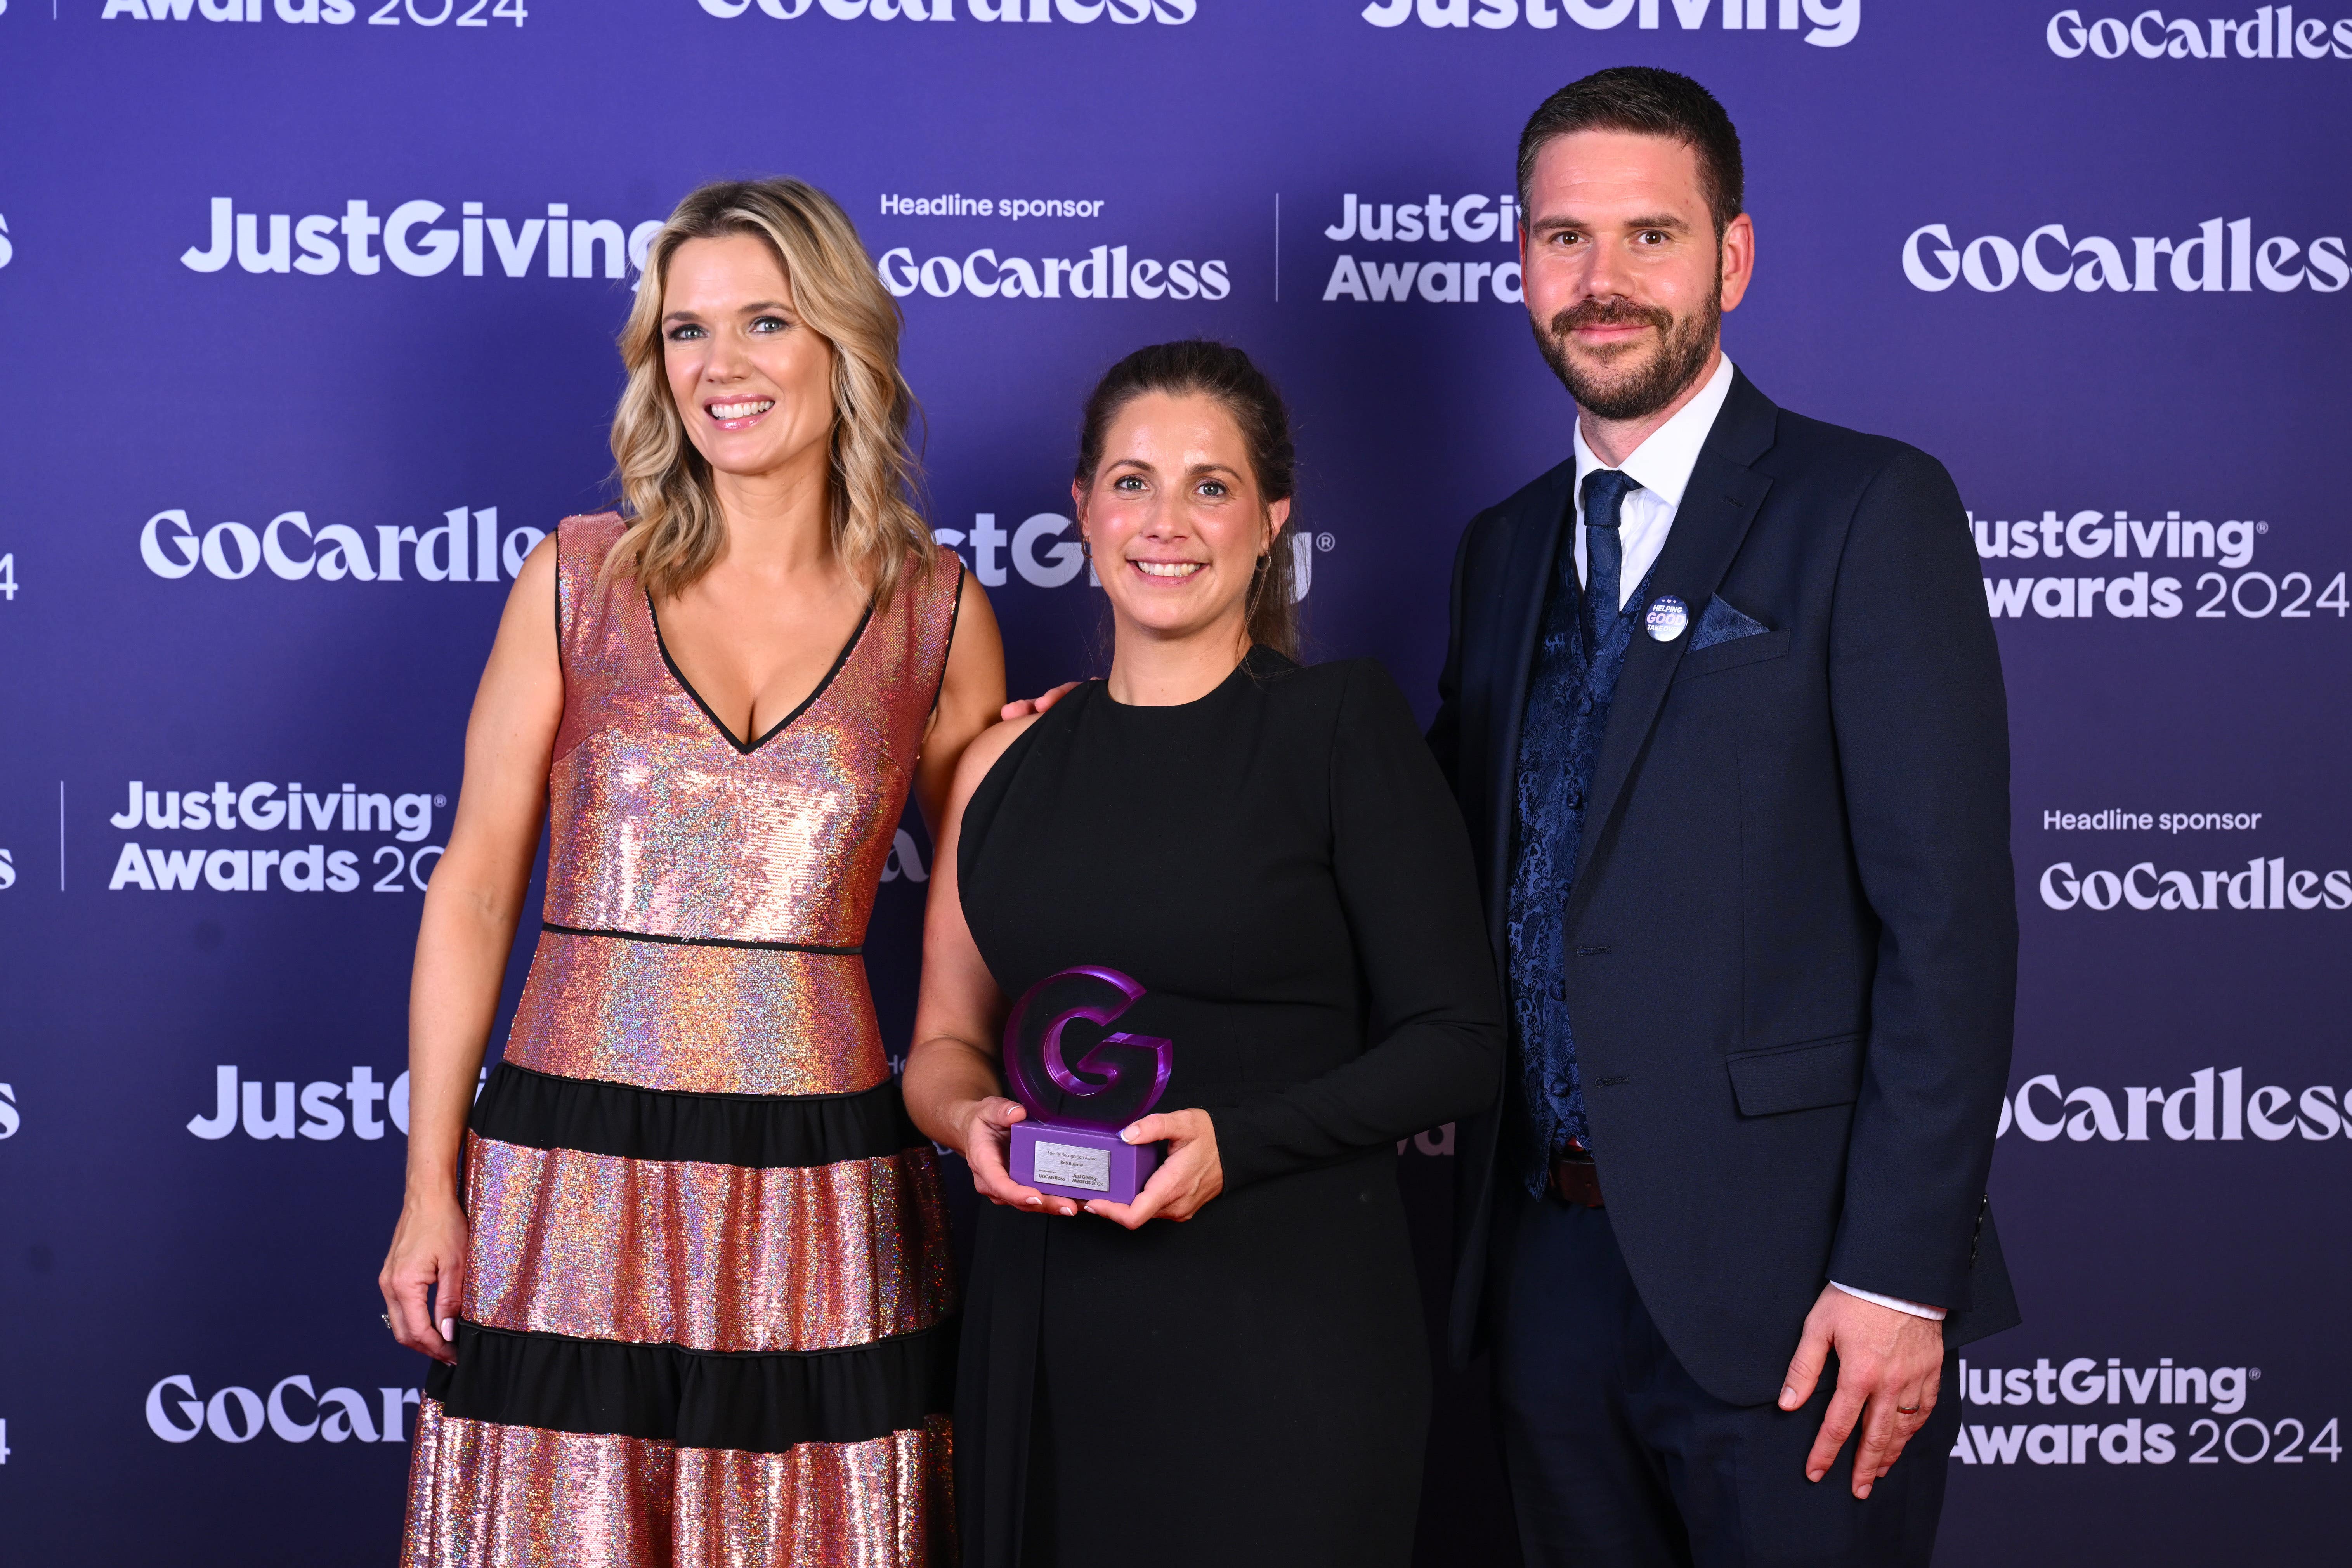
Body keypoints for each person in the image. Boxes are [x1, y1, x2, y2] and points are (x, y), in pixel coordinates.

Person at [1428, 69, 2019, 1566]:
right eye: (1564, 239)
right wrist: (1127, 735)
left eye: (1649, 235)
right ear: (1520, 263)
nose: (1602, 282)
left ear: (1731, 259)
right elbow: (1426, 847)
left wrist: (1898, 1277)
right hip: (1543, 1276)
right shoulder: (1501, 550)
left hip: (1797, 1289)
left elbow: (1945, 929)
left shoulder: (1865, 508)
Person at [377, 177, 1003, 1567]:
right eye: (684, 332)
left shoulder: (939, 612)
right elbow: (477, 887)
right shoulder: (573, 577)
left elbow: (990, 916)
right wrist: (434, 1185)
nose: (720, 367)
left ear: (841, 347)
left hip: (818, 1180)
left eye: (764, 322)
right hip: (567, 1166)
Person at [903, 340, 1504, 1568]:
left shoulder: (1338, 728)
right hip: (1045, 1330)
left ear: (1273, 517)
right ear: (1080, 508)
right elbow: (941, 1047)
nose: (1164, 522)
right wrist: (969, 1121)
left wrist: (1237, 1145)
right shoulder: (1000, 767)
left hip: (1282, 1330)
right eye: (1130, 482)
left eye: (1210, 486)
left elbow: (1459, 1045)